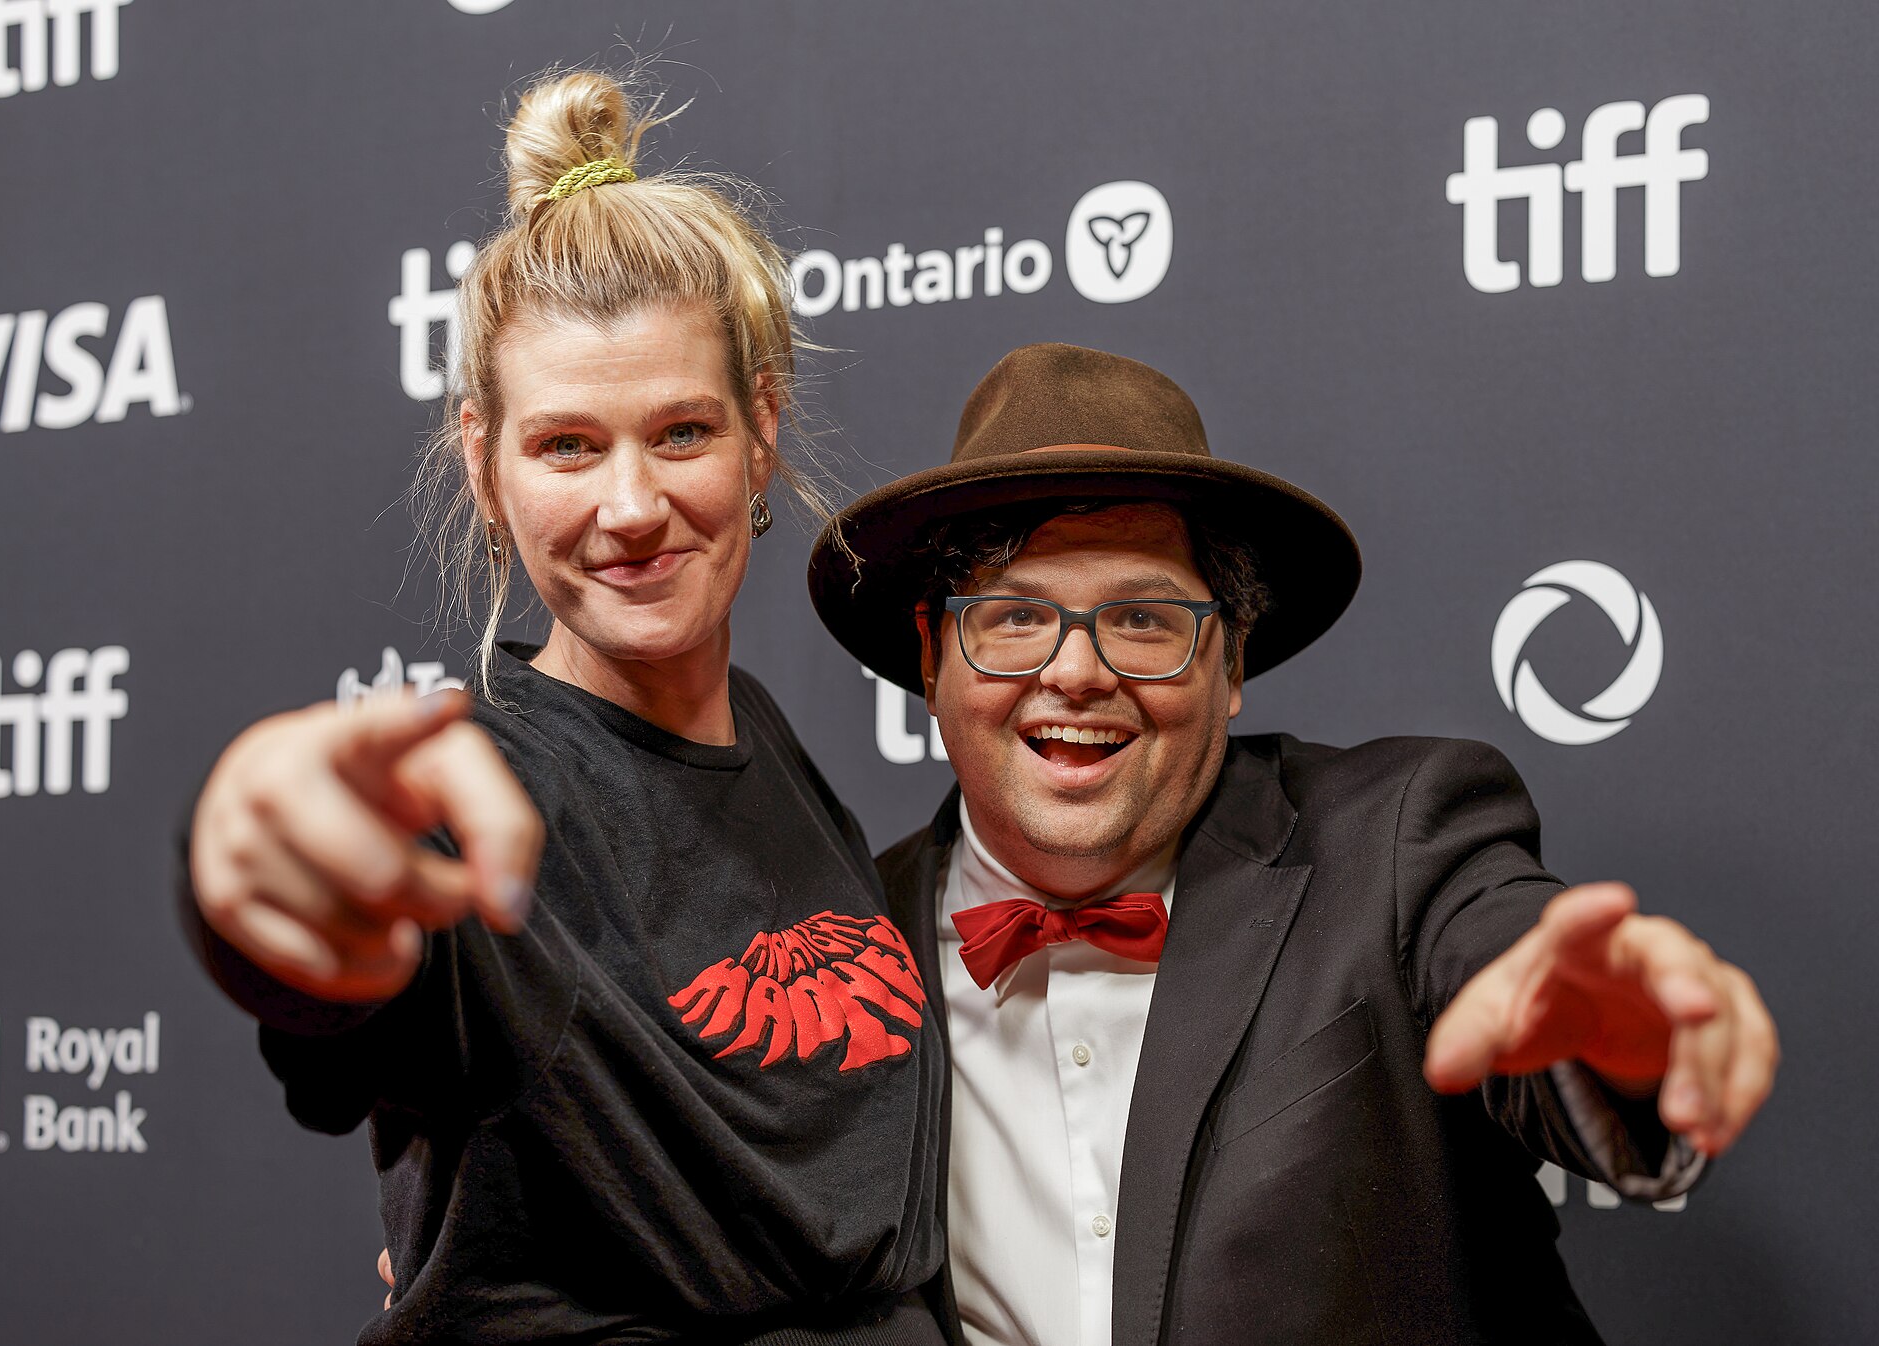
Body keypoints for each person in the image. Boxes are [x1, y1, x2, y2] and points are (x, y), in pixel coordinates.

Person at [799, 341, 1780, 1346]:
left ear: (1231, 661)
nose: (1077, 670)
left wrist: (1612, 1040)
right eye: (1013, 615)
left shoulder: (1398, 839)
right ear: (931, 658)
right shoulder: (840, 945)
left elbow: (1508, 953)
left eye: (1143, 617)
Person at [183, 71, 949, 1345]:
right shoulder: (471, 797)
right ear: (483, 465)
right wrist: (250, 855)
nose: (633, 505)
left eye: (683, 431)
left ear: (763, 432)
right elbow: (342, 980)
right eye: (568, 446)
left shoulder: (763, 739)